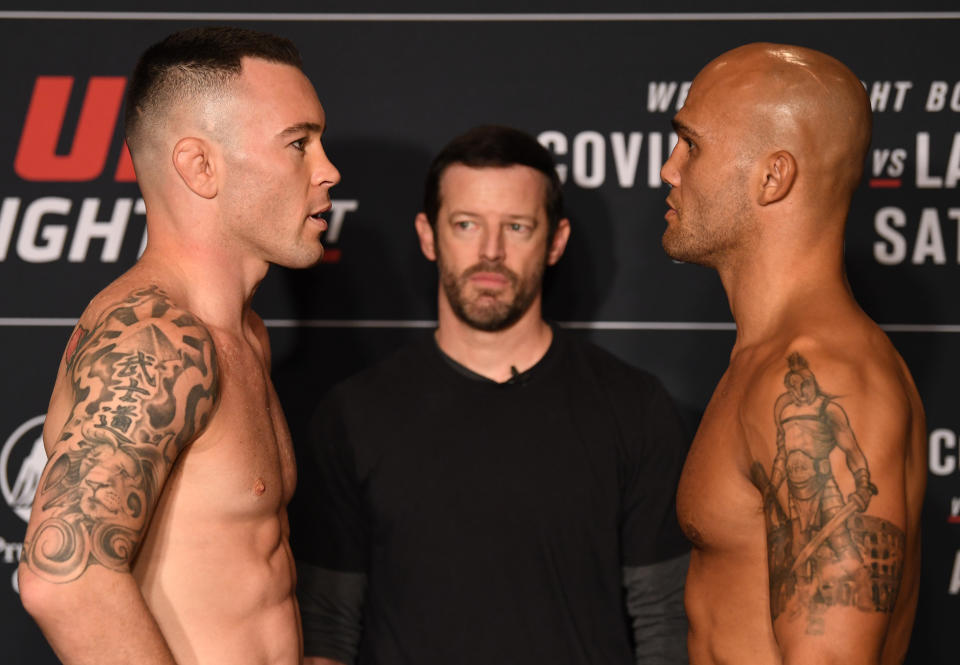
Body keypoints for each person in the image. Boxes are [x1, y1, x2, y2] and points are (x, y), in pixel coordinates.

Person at [292, 125, 691, 665]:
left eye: (518, 227)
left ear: (556, 241)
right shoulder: (352, 416)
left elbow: (664, 620)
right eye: (465, 224)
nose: (491, 252)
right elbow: (326, 625)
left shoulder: (634, 408)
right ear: (428, 235)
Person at [18, 27, 340, 665]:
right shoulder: (153, 340)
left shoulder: (241, 333)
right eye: (299, 144)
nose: (328, 169)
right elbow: (64, 580)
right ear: (200, 166)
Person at [660, 43, 926, 664]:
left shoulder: (824, 372)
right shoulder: (769, 359)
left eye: (690, 144)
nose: (670, 169)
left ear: (773, 176)